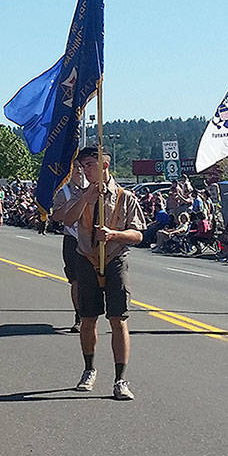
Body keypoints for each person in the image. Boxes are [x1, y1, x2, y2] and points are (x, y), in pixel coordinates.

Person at [51, 146, 145, 401]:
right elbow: (67, 220)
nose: (86, 170)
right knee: (88, 318)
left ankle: (120, 379)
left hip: (115, 259)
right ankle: (89, 369)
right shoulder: (80, 195)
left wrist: (115, 235)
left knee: (118, 319)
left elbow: (137, 234)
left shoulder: (125, 197)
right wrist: (85, 200)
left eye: (91, 164)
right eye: (83, 166)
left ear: (104, 165)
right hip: (86, 258)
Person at [55, 161, 88, 332]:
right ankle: (79, 316)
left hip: (90, 238)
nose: (79, 172)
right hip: (72, 239)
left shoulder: (93, 190)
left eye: (82, 168)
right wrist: (70, 205)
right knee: (76, 280)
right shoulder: (64, 192)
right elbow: (56, 216)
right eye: (76, 169)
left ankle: (91, 313)